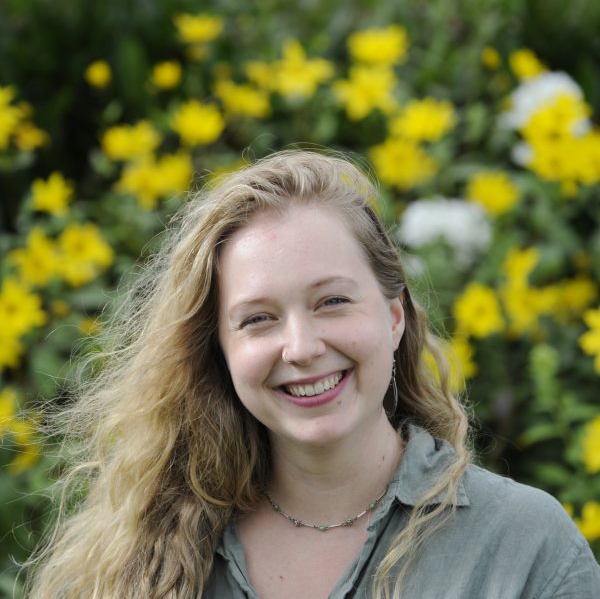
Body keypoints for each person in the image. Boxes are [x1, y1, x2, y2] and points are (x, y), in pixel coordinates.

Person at [28, 150, 600, 598]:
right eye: (258, 319)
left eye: (331, 302)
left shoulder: (524, 547)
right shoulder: (136, 562)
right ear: (218, 351)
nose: (300, 348)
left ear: (394, 316)